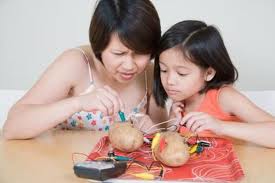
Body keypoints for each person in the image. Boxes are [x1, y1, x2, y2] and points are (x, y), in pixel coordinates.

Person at [3, 0, 168, 139]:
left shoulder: (148, 72)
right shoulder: (76, 64)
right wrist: (78, 103)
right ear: (99, 45)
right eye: (119, 53)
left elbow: (162, 135)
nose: (129, 65)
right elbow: (12, 127)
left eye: (140, 53)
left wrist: (153, 131)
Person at [153, 20, 275, 148]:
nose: (170, 81)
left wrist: (221, 126)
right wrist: (172, 126)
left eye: (182, 73)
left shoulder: (224, 97)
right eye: (164, 70)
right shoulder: (180, 102)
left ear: (209, 73)